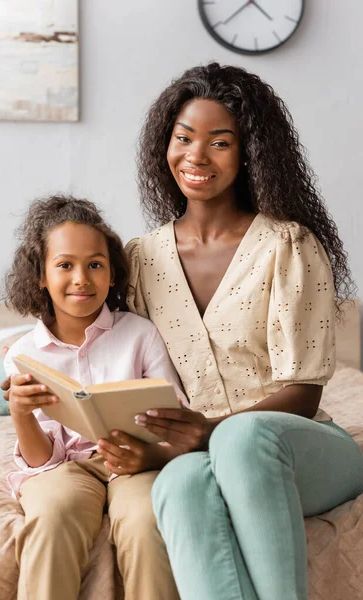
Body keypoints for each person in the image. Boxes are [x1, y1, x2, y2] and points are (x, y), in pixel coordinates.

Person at [120, 63, 363, 600]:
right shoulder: (141, 258)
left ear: (250, 150)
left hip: (297, 447)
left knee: (241, 436)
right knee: (181, 483)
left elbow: (302, 392)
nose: (196, 156)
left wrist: (210, 431)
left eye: (220, 142)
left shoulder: (288, 246)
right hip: (196, 456)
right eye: (183, 138)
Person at [0, 194, 185, 600]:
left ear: (113, 274)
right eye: (65, 265)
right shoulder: (22, 355)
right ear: (41, 276)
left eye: (95, 265)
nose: (81, 278)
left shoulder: (140, 334)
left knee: (146, 519)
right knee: (51, 516)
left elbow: (176, 418)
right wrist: (20, 414)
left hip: (135, 462)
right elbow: (38, 460)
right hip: (62, 470)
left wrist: (149, 447)